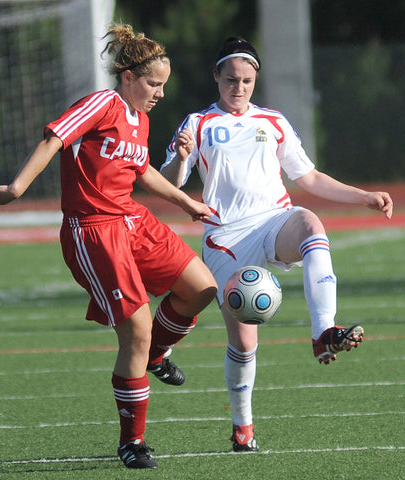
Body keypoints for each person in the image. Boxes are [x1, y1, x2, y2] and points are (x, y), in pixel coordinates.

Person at [0, 23, 217, 470]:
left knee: (201, 288)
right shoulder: (102, 103)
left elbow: (142, 172)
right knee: (137, 328)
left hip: (133, 219)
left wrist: (187, 202)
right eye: (154, 84)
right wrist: (16, 188)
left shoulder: (141, 118)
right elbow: (54, 139)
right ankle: (132, 443)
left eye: (163, 85)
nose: (160, 94)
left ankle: (154, 355)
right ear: (128, 76)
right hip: (94, 231)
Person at [161, 37, 393, 453]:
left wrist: (363, 196)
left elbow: (309, 178)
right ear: (216, 76)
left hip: (273, 220)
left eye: (247, 81)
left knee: (309, 222)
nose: (239, 88)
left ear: (255, 80)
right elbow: (170, 183)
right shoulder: (196, 123)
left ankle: (324, 331)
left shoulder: (273, 121)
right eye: (231, 79)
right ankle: (243, 427)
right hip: (226, 239)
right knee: (244, 342)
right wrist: (180, 158)